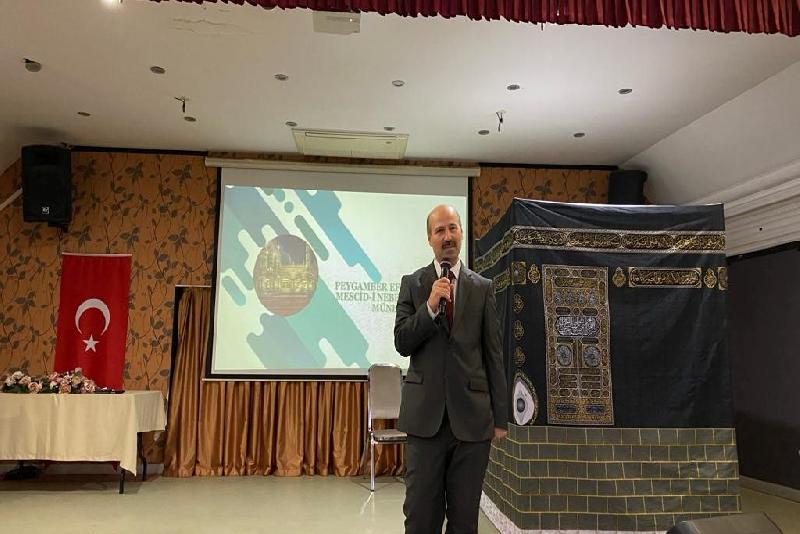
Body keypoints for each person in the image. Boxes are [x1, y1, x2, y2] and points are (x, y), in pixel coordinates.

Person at [394, 204, 508, 534]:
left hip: (472, 422)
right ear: (429, 238)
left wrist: (500, 418)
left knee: (464, 521)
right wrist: (430, 307)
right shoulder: (413, 284)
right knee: (420, 519)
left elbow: (493, 354)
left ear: (461, 233)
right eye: (440, 230)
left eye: (453, 228)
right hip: (424, 421)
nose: (447, 236)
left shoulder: (482, 287)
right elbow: (402, 342)